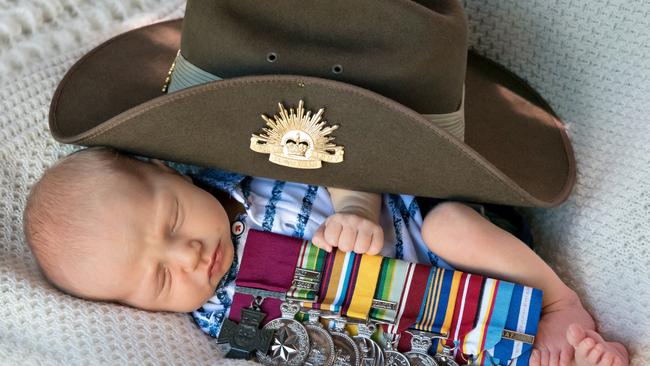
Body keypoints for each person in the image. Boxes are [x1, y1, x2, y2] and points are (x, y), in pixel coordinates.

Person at [22, 146, 628, 366]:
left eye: (172, 219)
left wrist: (357, 211)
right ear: (137, 307)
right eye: (158, 279)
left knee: (452, 228)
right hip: (424, 323)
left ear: (164, 170)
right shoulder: (222, 318)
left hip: (425, 232)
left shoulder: (240, 168)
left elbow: (335, 152)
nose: (188, 254)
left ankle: (557, 303)